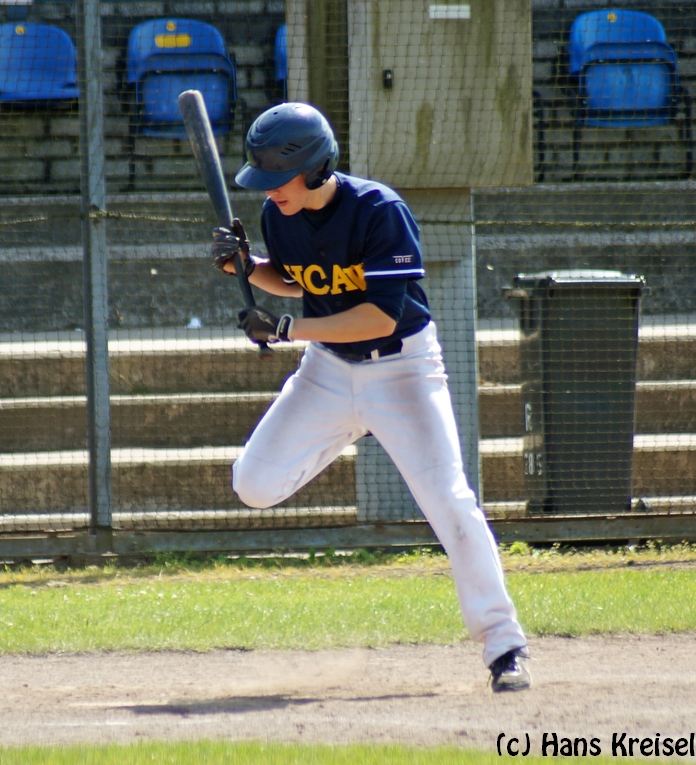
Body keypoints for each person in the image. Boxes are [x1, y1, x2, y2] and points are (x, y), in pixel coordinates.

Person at [212, 102, 531, 692]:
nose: (269, 189)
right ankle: (346, 425)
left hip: (402, 371)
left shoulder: (380, 210)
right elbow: (298, 279)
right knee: (252, 484)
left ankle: (504, 646)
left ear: (315, 168)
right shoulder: (278, 213)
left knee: (449, 501)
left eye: (279, 176)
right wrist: (247, 267)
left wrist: (284, 329)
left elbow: (379, 318)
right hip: (328, 372)